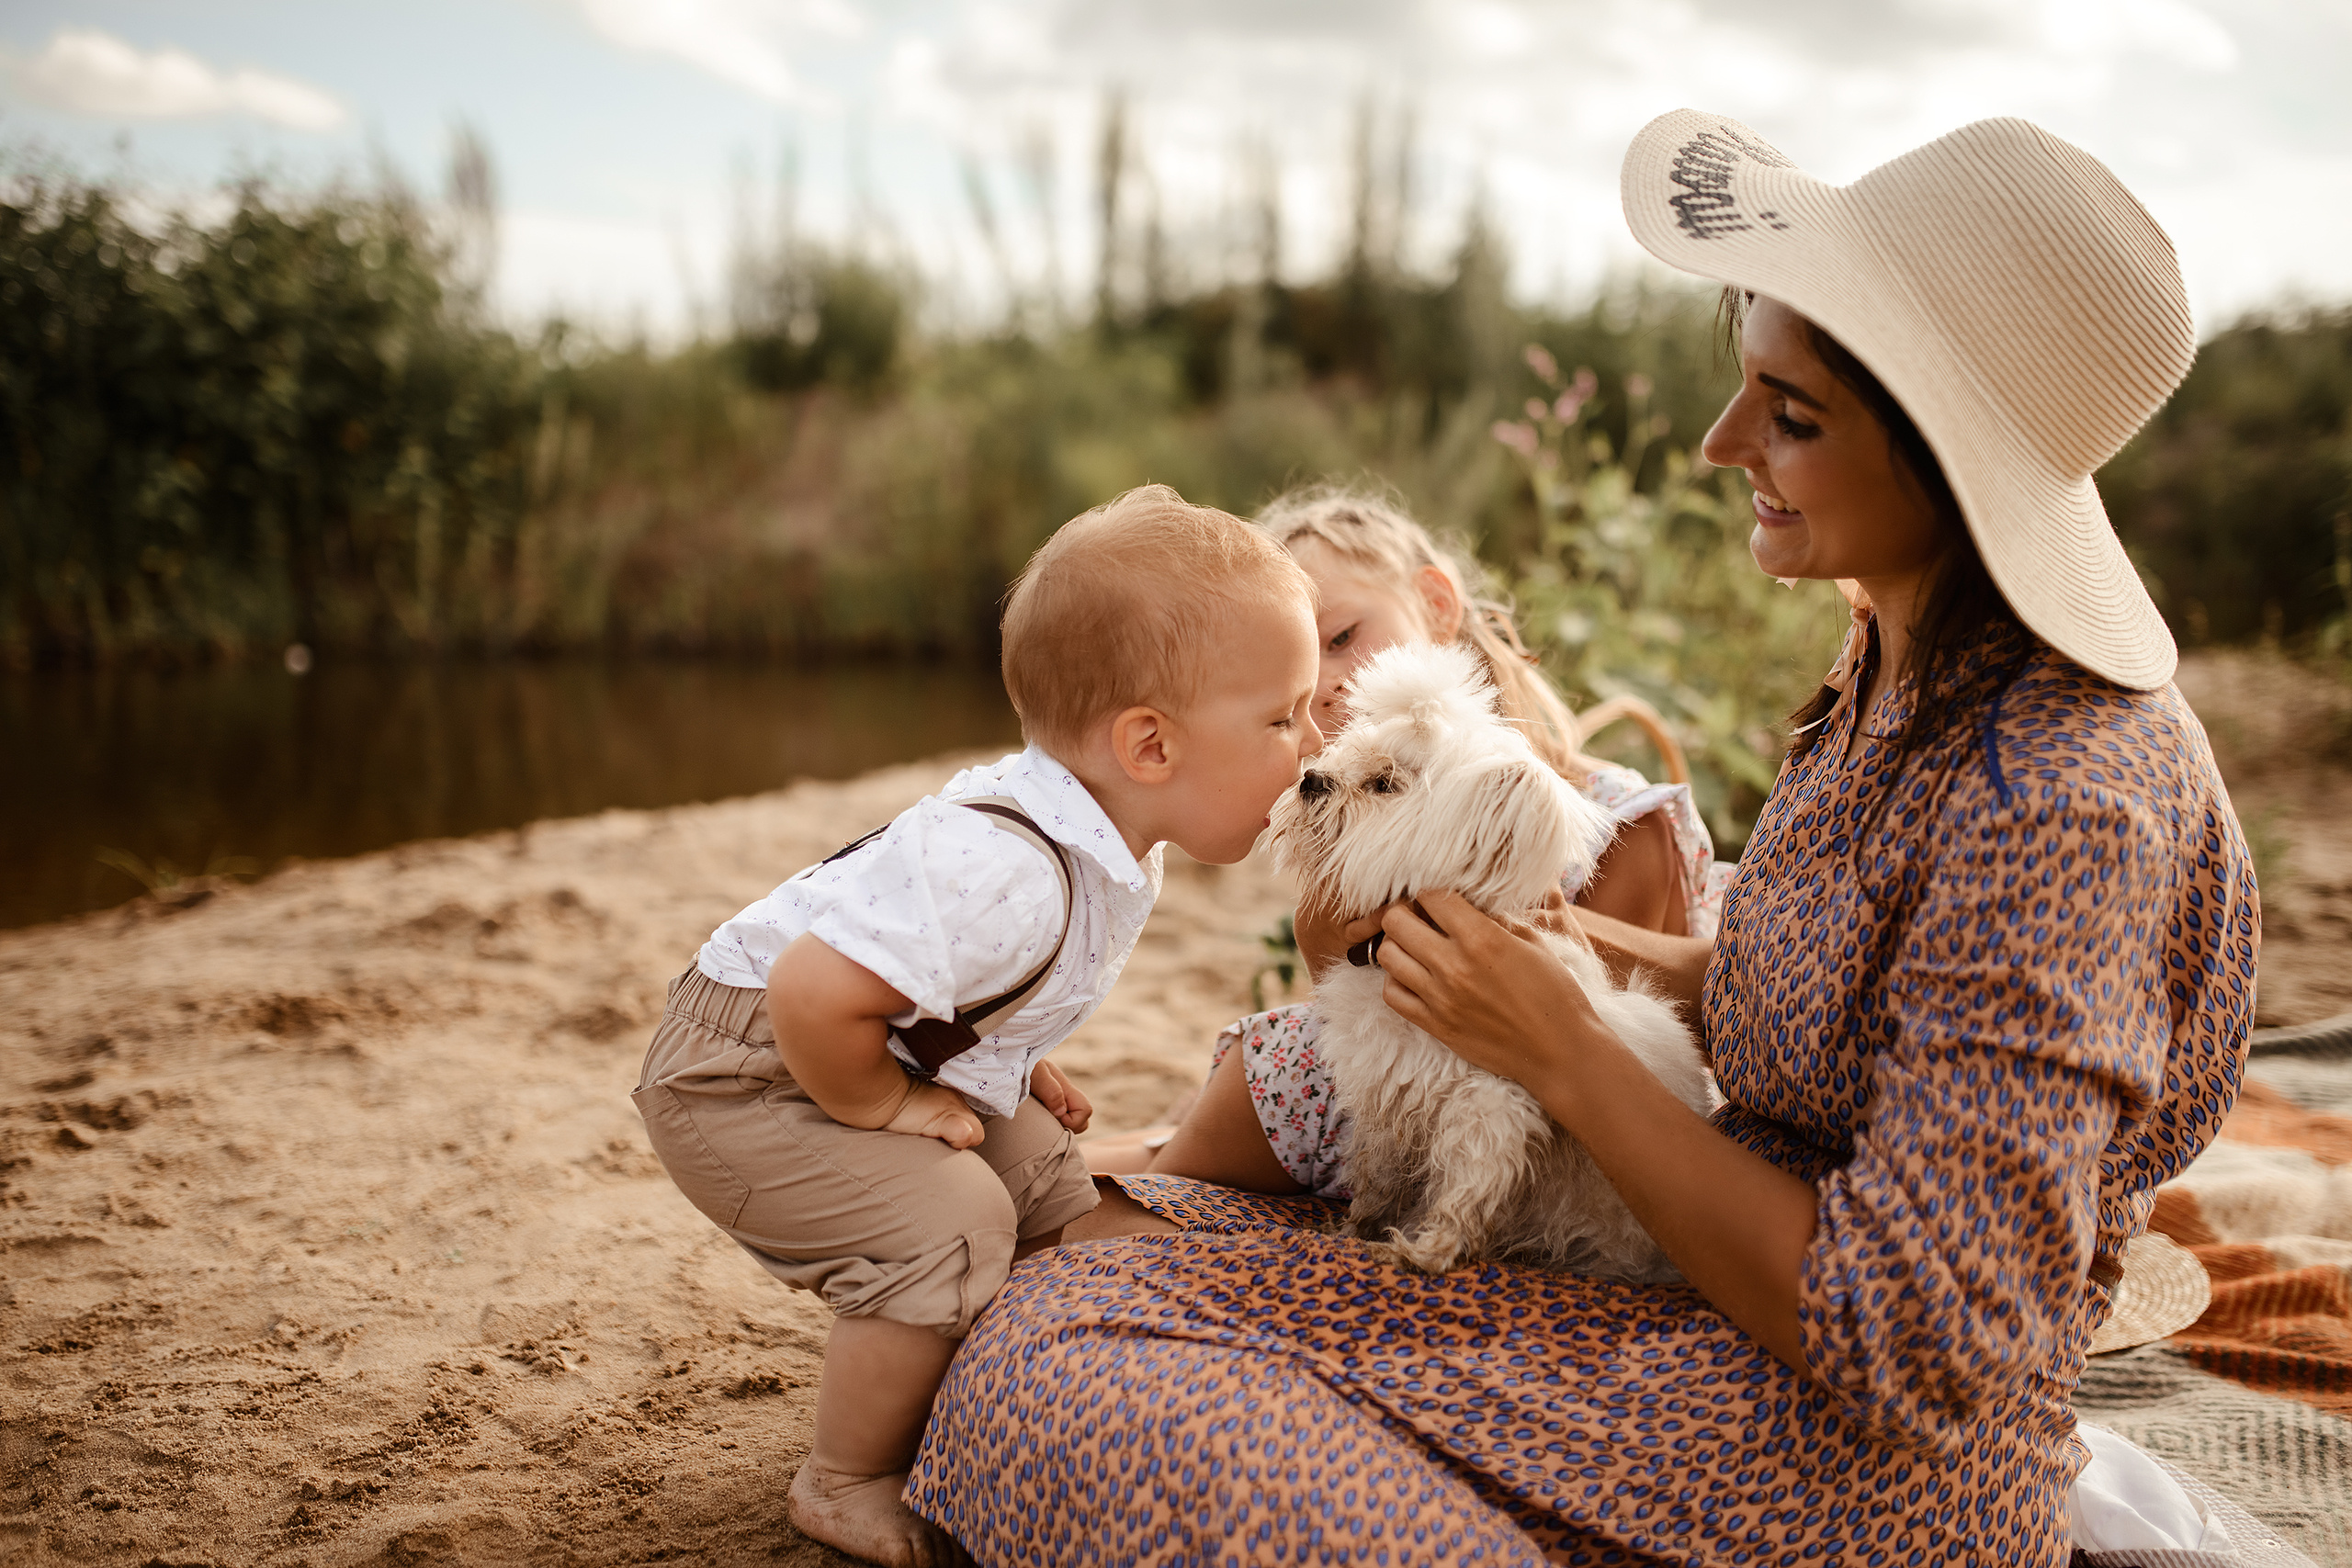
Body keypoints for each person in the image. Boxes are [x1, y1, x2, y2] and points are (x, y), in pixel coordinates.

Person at [907, 112, 2258, 1565]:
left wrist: (1566, 1047)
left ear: (1949, 460)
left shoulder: (2065, 797)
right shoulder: (1897, 657)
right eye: (1745, 381)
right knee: (1083, 1283)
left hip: (1858, 1462)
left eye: (1789, 414)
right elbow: (1821, 998)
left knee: (1077, 1365)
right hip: (1697, 1270)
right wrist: (1555, 951)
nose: (1722, 441)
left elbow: (1917, 1343)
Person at [630, 483, 1321, 1568]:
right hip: (744, 1077)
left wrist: (1007, 1055)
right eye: (1283, 717)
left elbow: (943, 979)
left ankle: (1028, 1345)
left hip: (860, 1040)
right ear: (1149, 746)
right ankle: (843, 1475)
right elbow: (814, 991)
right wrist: (890, 1104)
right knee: (949, 1220)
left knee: (1042, 1176)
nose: (1310, 744)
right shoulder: (1014, 872)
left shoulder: (1092, 834)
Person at [1084, 485, 1724, 1193]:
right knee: (1145, 1149)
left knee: (1170, 1157)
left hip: (1503, 1130)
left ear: (1438, 604)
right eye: (1290, 669)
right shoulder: (1367, 816)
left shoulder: (1618, 825)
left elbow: (1594, 1050)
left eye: (1341, 637)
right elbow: (1353, 1003)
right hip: (1385, 1094)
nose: (1322, 684)